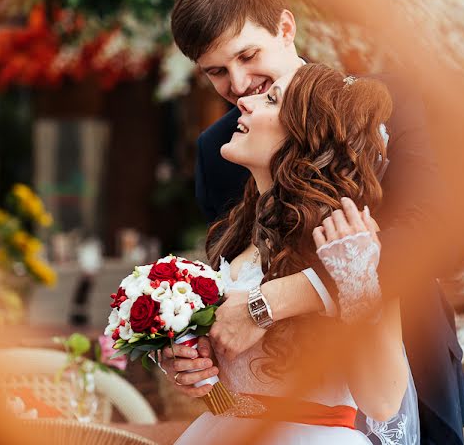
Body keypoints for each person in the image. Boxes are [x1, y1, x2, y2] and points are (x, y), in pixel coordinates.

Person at [162, 0, 464, 445]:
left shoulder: (387, 104)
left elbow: (434, 237)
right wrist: (197, 353)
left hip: (402, 375)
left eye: (247, 56)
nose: (239, 87)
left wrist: (269, 304)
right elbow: (244, 285)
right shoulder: (220, 150)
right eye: (216, 72)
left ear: (285, 28)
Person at [174, 63, 413, 444]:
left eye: (271, 99)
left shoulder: (346, 238)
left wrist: (358, 283)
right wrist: (192, 364)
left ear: (305, 138)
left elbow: (383, 400)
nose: (245, 103)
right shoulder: (239, 232)